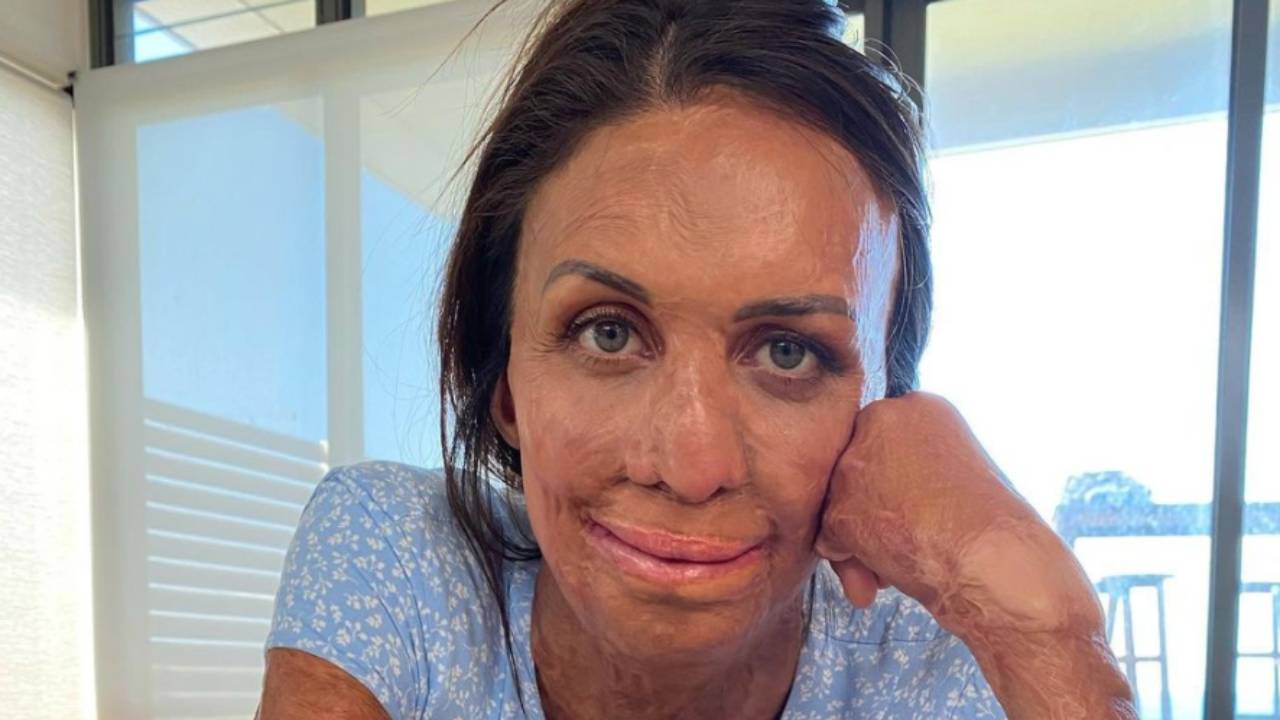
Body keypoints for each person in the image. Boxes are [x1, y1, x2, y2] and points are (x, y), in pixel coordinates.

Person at [257, 1, 1136, 718]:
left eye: (788, 352)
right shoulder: (401, 559)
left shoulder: (935, 652)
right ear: (506, 382)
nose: (690, 464)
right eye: (607, 333)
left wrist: (1045, 633)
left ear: (882, 414)